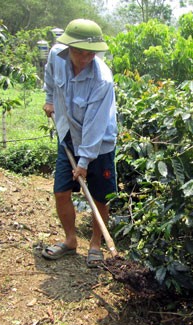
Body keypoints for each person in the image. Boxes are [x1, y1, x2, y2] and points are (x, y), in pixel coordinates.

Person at [41, 19, 117, 268]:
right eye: (79, 52)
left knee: (99, 198)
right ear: (68, 47)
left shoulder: (102, 79)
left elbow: (95, 126)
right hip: (68, 136)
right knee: (61, 192)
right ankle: (71, 240)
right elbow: (50, 79)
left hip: (99, 144)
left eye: (90, 54)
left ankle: (96, 245)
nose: (85, 59)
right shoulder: (56, 55)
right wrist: (50, 99)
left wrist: (84, 162)